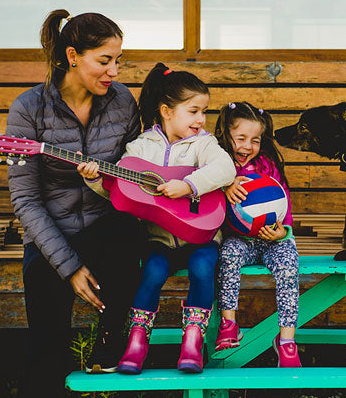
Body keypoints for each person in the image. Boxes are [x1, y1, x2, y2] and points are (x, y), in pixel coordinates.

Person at [4, 9, 143, 398]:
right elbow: (26, 202)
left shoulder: (122, 102)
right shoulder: (29, 110)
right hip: (52, 240)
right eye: (105, 61)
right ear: (72, 56)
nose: (115, 72)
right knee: (45, 358)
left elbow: (136, 174)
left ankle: (111, 333)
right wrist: (68, 268)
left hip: (108, 230)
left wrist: (106, 181)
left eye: (119, 61)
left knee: (131, 235)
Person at [78, 64, 236, 375]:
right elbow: (121, 190)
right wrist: (94, 179)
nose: (201, 120)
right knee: (151, 272)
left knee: (203, 267)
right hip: (160, 238)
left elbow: (225, 169)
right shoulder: (141, 147)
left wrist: (189, 185)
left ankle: (192, 342)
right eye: (193, 111)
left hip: (201, 236)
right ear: (166, 111)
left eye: (204, 112)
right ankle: (137, 342)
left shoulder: (204, 144)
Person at [214, 101, 302, 367]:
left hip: (272, 239)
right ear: (226, 134)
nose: (247, 146)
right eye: (240, 138)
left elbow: (284, 204)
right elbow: (208, 203)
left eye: (255, 140)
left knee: (289, 265)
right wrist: (225, 186)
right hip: (241, 240)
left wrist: (283, 232)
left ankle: (286, 341)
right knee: (228, 254)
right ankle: (229, 324)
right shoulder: (219, 167)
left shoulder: (267, 166)